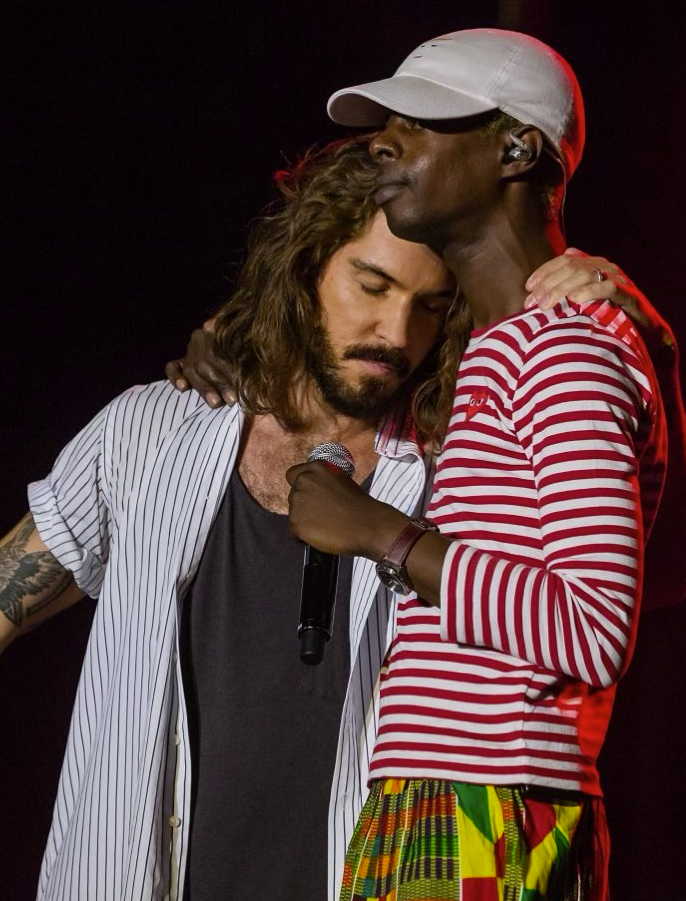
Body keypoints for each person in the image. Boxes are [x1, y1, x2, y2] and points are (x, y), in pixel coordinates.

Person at [0, 123, 672, 901]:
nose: (396, 334)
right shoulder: (154, 430)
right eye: (370, 284)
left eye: (431, 307)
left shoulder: (454, 468)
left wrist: (644, 337)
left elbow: (610, 550)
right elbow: (0, 592)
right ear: (307, 264)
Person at [273, 29, 667, 900]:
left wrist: (383, 534)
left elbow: (595, 627)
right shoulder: (498, 349)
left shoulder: (567, 351)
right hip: (434, 796)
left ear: (516, 148)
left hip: (494, 804)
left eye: (419, 121)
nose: (385, 139)